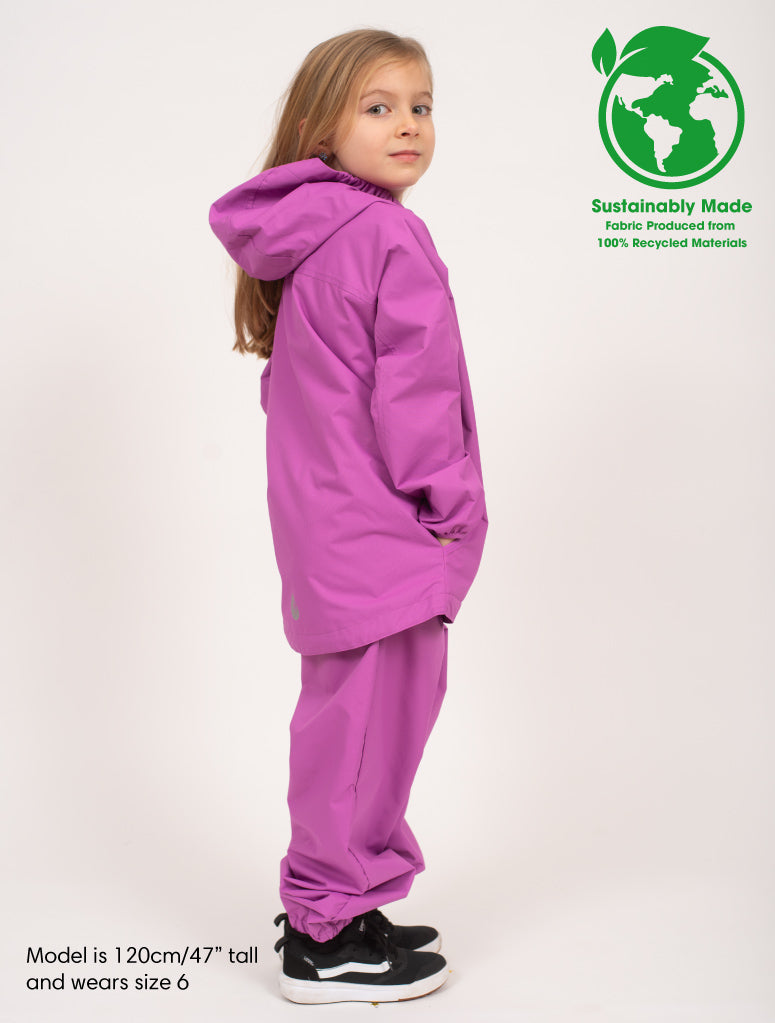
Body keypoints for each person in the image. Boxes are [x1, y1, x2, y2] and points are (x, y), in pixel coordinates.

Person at [208, 27, 488, 1004]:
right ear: (322, 128)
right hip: (383, 530)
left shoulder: (311, 236)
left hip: (327, 527)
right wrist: (450, 510)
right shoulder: (385, 235)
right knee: (372, 731)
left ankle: (343, 904)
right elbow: (417, 398)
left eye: (420, 106)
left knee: (348, 724)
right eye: (378, 107)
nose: (408, 124)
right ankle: (324, 936)